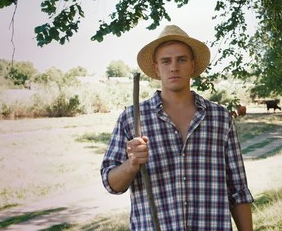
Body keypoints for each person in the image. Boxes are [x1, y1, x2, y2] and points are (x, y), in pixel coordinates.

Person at [101, 25, 254, 230]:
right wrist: (132, 164)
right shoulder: (132, 118)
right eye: (166, 61)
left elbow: (238, 191)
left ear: (192, 65)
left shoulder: (220, 118)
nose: (174, 67)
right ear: (156, 68)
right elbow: (111, 184)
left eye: (181, 59)